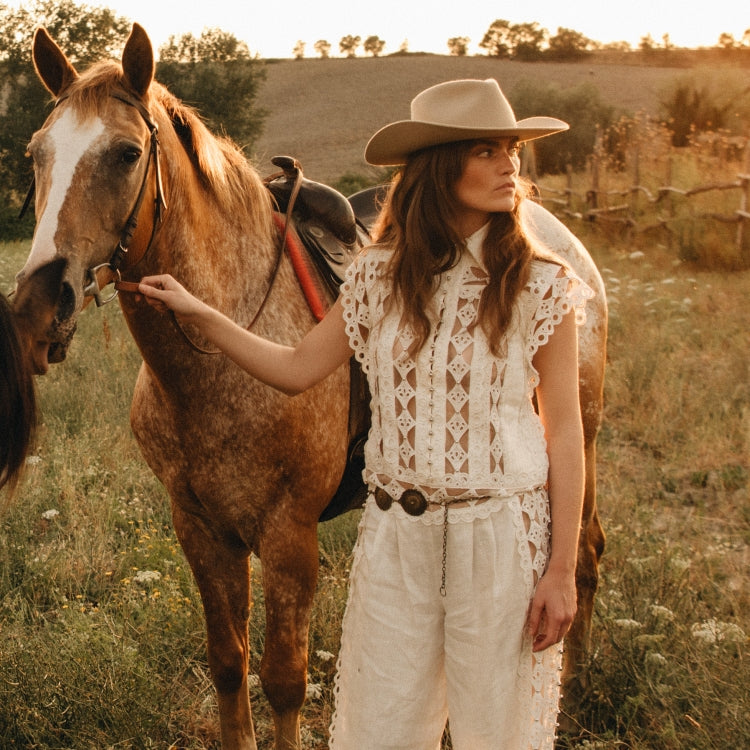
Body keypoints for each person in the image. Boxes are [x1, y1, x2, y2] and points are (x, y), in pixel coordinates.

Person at [137, 78, 593, 749]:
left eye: (512, 151)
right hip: (395, 538)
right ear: (440, 170)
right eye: (487, 151)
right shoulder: (379, 278)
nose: (511, 166)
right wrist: (202, 313)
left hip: (499, 539)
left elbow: (567, 431)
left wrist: (558, 572)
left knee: (495, 734)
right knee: (378, 732)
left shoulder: (539, 284)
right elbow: (295, 369)